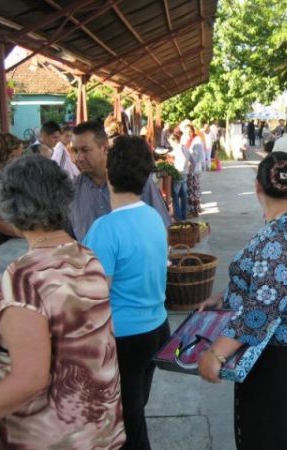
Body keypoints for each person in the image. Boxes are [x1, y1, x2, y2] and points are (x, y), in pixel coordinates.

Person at [0, 155, 126, 449]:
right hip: (99, 431)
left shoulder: (25, 278)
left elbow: (30, 378)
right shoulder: (86, 256)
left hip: (52, 438)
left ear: (8, 206)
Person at [197, 152, 287, 450]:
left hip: (281, 359)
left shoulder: (282, 235)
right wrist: (227, 297)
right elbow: (274, 285)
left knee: (276, 438)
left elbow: (262, 309)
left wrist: (216, 353)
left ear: (257, 186)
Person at [83, 136, 170, 450]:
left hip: (125, 337)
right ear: (146, 177)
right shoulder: (153, 217)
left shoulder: (105, 228)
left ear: (108, 173)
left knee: (125, 425)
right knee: (135, 410)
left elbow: (95, 293)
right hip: (157, 328)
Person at [70, 121, 170, 241]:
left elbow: (163, 227)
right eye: (75, 151)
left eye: (85, 150)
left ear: (104, 148)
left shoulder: (136, 180)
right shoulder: (71, 191)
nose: (79, 158)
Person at [168, 132, 192, 220]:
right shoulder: (184, 147)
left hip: (179, 174)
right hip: (184, 174)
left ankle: (177, 216)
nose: (170, 144)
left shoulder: (178, 149)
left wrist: (178, 169)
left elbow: (183, 159)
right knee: (183, 196)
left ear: (174, 141)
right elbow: (190, 158)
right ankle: (184, 216)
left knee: (175, 196)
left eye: (170, 142)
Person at [184, 124, 205, 217]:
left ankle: (194, 211)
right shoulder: (189, 140)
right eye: (186, 132)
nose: (188, 133)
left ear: (193, 131)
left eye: (190, 131)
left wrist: (189, 163)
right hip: (190, 168)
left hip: (194, 169)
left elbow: (195, 156)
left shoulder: (196, 140)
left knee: (194, 190)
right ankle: (192, 210)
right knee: (191, 190)